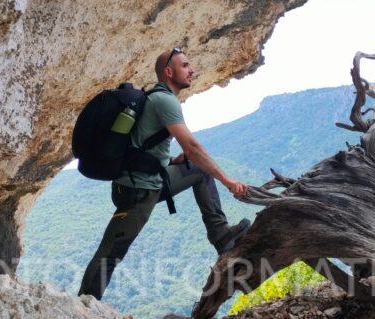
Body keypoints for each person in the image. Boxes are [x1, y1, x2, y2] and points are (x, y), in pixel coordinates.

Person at [78, 47, 251, 300]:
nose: (192, 70)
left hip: (148, 179)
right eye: (185, 65)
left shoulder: (156, 98)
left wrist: (170, 160)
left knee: (199, 171)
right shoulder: (165, 100)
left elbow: (142, 144)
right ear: (168, 72)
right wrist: (227, 180)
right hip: (139, 190)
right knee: (112, 251)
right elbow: (192, 147)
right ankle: (86, 302)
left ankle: (221, 235)